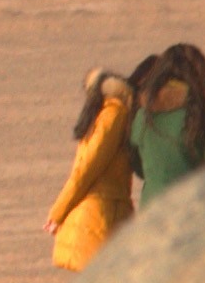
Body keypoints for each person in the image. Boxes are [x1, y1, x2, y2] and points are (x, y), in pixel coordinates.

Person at [45, 66, 138, 270]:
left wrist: (59, 211)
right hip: (99, 217)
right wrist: (58, 212)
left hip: (98, 216)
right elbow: (86, 170)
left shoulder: (106, 116)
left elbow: (84, 170)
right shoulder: (113, 115)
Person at [130, 42, 205, 198]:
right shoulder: (201, 114)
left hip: (150, 211)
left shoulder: (142, 114)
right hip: (188, 209)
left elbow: (138, 167)